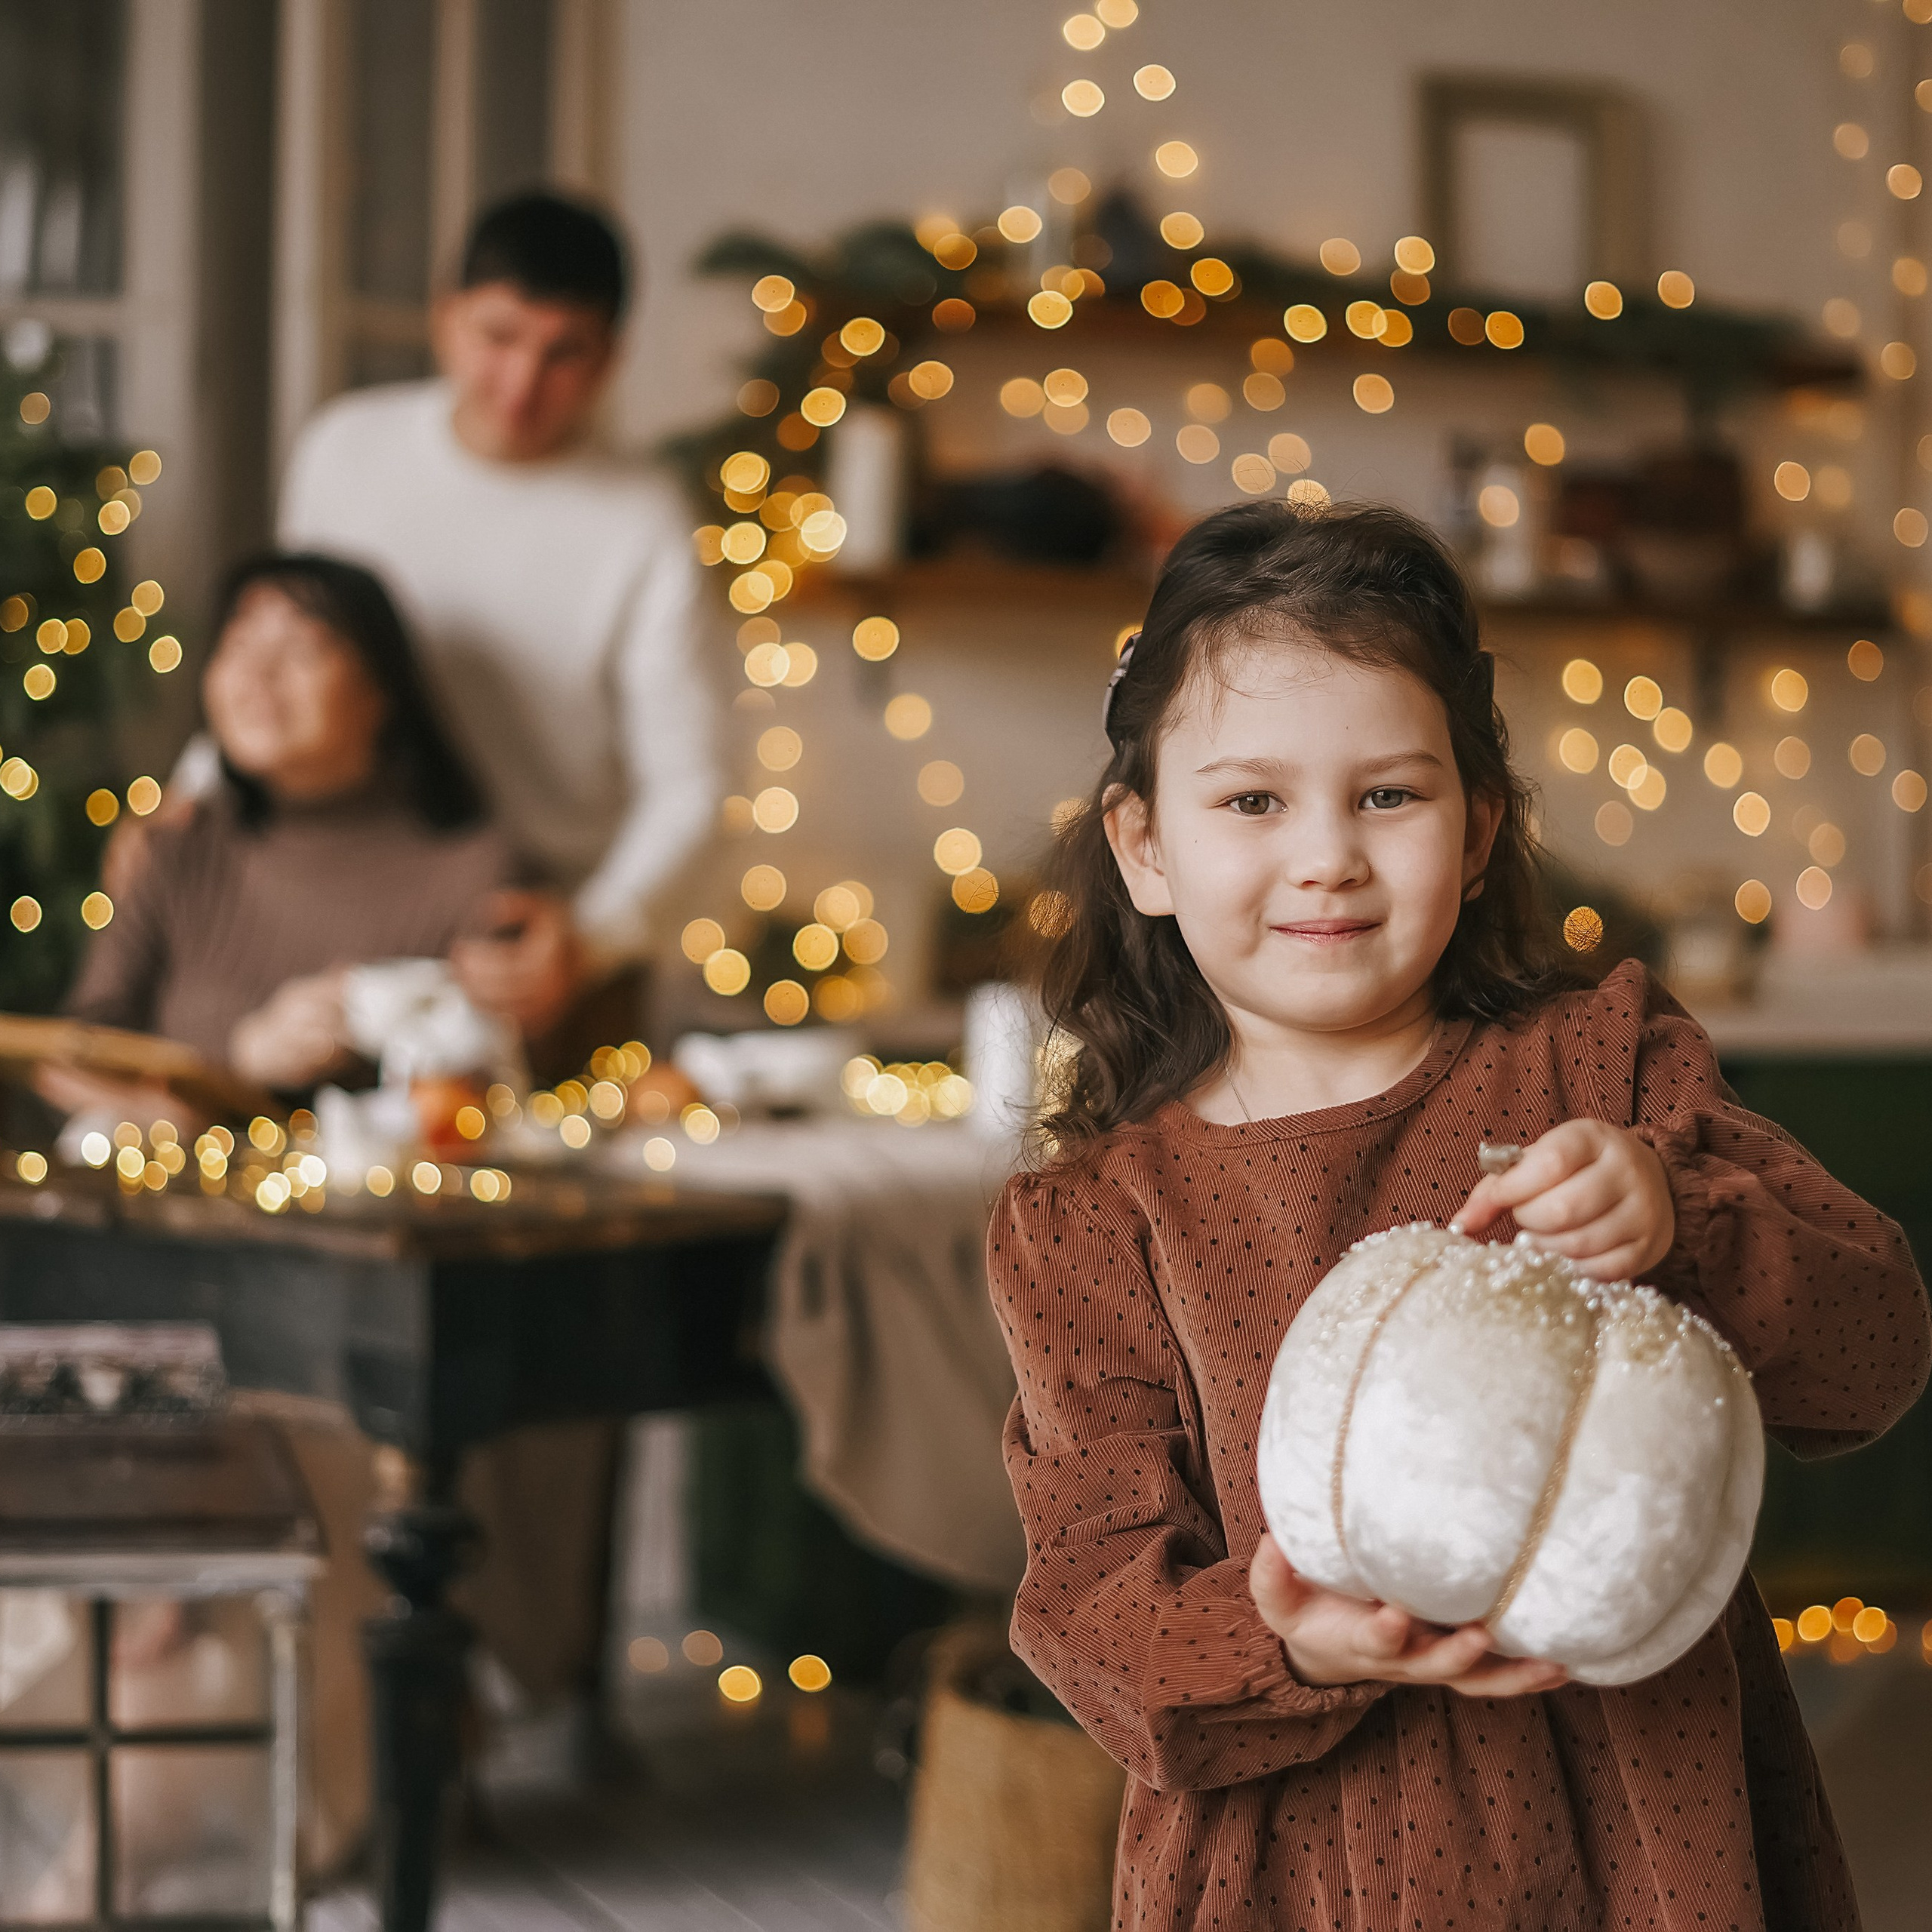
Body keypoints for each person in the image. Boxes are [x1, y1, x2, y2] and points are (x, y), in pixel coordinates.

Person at [989, 500, 1930, 1932]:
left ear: (1479, 829)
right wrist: (1290, 1640)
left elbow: (1875, 1354)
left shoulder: (1605, 1075)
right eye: (1252, 803)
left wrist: (1684, 1218)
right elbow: (1093, 1613)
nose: (1328, 856)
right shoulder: (1093, 1223)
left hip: (1650, 1845)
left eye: (1389, 796)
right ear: (1144, 846)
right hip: (1302, 1870)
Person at [159, 190, 717, 1048]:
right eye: (499, 338)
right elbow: (283, 643)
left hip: (537, 951)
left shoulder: (646, 519)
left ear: (611, 358)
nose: (521, 384)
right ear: (445, 318)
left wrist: (591, 936)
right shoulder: (346, 450)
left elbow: (691, 784)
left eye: (563, 353)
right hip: (339, 915)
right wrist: (189, 797)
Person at [51, 551, 513, 1112]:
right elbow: (70, 1057)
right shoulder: (179, 845)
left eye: (301, 651)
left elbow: (494, 1089)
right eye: (238, 646)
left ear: (383, 691)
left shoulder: (471, 871)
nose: (258, 675)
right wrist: (232, 1067)